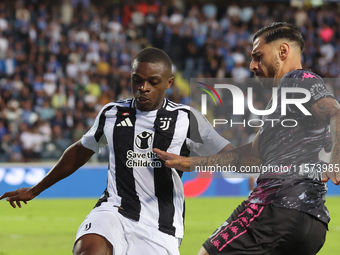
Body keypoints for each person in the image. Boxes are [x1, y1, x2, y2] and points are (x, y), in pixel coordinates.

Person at [0, 47, 234, 255]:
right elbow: (80, 151)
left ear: (169, 82)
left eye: (153, 82)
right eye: (137, 80)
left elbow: (237, 158)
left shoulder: (186, 119)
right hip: (113, 211)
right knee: (89, 249)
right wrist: (35, 189)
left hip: (160, 226)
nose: (143, 88)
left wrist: (191, 163)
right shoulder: (112, 112)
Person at [154, 22, 340, 255]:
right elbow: (251, 156)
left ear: (283, 51)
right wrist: (189, 163)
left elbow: (336, 112)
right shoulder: (286, 98)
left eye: (258, 56)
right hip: (312, 223)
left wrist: (337, 156)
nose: (252, 66)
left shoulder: (298, 79)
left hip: (274, 208)